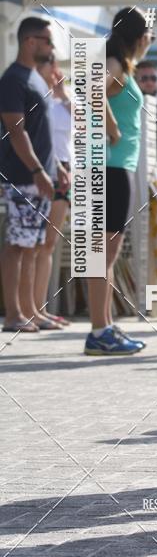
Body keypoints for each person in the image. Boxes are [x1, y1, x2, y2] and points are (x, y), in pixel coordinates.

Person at [84, 7, 152, 356]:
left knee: (105, 255)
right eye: (150, 36)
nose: (150, 42)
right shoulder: (113, 61)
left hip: (114, 168)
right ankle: (99, 329)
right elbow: (92, 88)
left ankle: (105, 325)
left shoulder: (119, 63)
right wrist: (111, 126)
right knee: (103, 255)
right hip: (110, 168)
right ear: (140, 37)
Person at [0, 17, 69, 333]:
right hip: (22, 177)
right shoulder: (14, 79)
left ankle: (30, 310)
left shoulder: (36, 79)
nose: (52, 48)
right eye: (47, 40)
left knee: (33, 245)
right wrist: (39, 170)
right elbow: (16, 130)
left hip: (40, 176)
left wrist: (55, 168)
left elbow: (44, 134)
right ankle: (14, 314)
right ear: (30, 41)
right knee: (18, 245)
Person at [34, 56, 73, 328]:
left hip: (65, 172)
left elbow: (87, 125)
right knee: (35, 244)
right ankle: (32, 308)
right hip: (44, 170)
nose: (54, 72)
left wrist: (63, 93)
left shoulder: (64, 103)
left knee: (48, 244)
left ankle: (39, 307)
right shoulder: (37, 102)